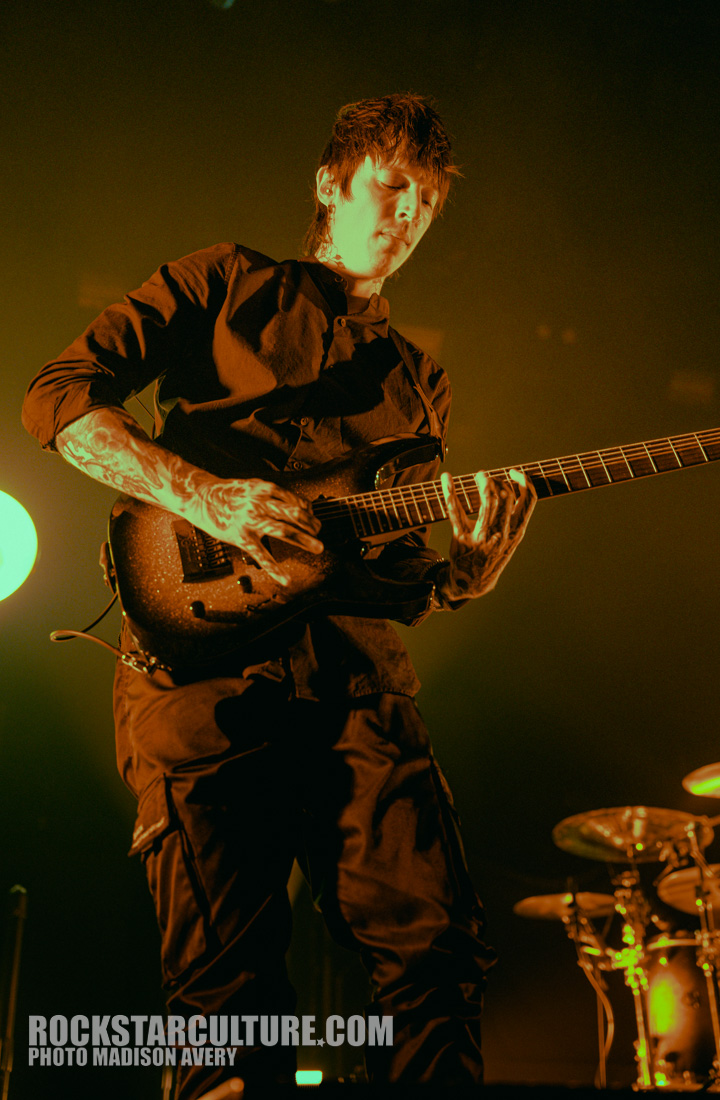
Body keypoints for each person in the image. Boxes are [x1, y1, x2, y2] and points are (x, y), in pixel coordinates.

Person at [22, 93, 535, 1098]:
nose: (409, 213)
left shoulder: (419, 379)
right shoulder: (222, 282)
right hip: (201, 680)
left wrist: (458, 578)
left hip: (360, 690)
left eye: (429, 202)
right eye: (393, 185)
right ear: (330, 184)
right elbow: (60, 396)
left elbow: (395, 577)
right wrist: (201, 494)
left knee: (437, 958)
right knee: (229, 1002)